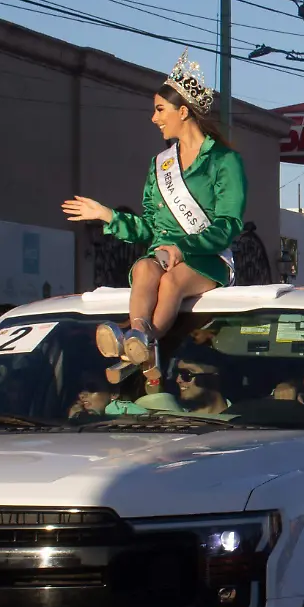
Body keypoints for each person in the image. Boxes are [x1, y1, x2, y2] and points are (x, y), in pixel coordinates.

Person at [63, 53, 247, 387]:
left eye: (160, 110)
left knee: (172, 281)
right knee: (144, 269)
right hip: (163, 256)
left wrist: (182, 246)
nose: (153, 118)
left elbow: (229, 223)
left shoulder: (224, 160)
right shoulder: (161, 164)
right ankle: (139, 339)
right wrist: (107, 215)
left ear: (183, 111)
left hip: (208, 258)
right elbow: (149, 227)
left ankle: (136, 340)